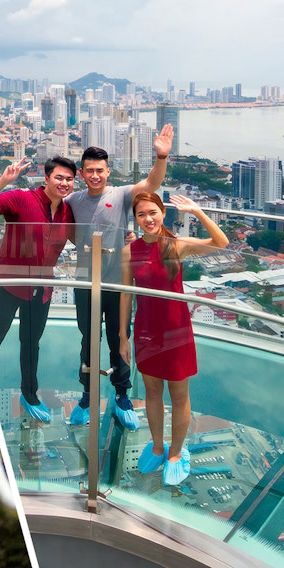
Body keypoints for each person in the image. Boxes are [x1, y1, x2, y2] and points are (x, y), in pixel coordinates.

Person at [65, 125, 173, 429]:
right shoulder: (74, 200)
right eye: (89, 171)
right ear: (82, 173)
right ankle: (87, 394)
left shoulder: (122, 194)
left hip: (118, 282)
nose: (95, 175)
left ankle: (122, 394)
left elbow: (151, 183)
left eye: (100, 170)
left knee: (119, 337)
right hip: (86, 280)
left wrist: (161, 157)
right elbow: (66, 230)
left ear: (108, 171)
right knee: (89, 339)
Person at [118, 192, 228, 486]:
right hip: (146, 329)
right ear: (136, 219)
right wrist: (122, 335)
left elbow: (221, 243)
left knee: (179, 396)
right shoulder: (130, 251)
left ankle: (177, 453)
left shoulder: (175, 246)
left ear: (163, 213)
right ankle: (157, 446)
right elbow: (126, 294)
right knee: (152, 393)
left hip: (176, 330)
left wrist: (197, 212)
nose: (148, 219)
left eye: (152, 212)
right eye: (141, 215)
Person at [0, 156, 76, 423]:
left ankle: (29, 394)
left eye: (69, 179)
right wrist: (4, 181)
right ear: (46, 178)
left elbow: (83, 236)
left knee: (31, 342)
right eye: (59, 177)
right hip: (10, 283)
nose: (64, 183)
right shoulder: (22, 199)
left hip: (42, 287)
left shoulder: (68, 213)